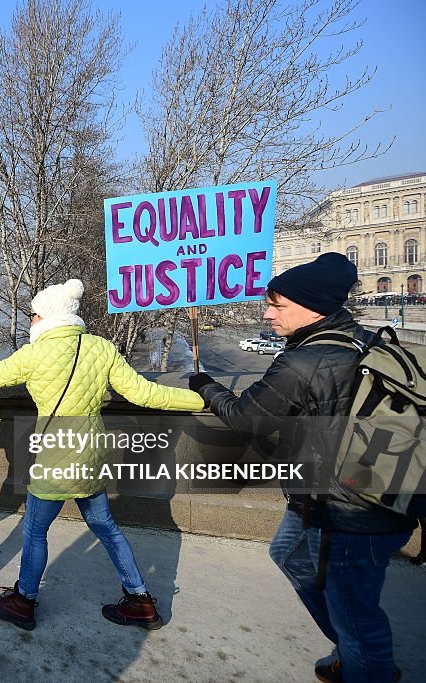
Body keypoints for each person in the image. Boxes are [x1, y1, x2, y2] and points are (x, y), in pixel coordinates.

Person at [189, 253, 416, 682]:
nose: (267, 312)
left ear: (313, 307)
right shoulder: (366, 340)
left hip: (352, 509)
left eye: (277, 305)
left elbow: (246, 417)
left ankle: (365, 665)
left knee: (356, 614)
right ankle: (354, 652)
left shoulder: (303, 361)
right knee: (289, 555)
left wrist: (206, 387)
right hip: (350, 493)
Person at [0, 279, 204, 631]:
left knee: (36, 531)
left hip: (54, 457)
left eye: (34, 314)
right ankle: (140, 601)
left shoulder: (34, 354)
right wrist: (201, 399)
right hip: (91, 456)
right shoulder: (101, 348)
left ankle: (23, 601)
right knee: (107, 527)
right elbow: (144, 393)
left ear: (49, 316)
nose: (30, 321)